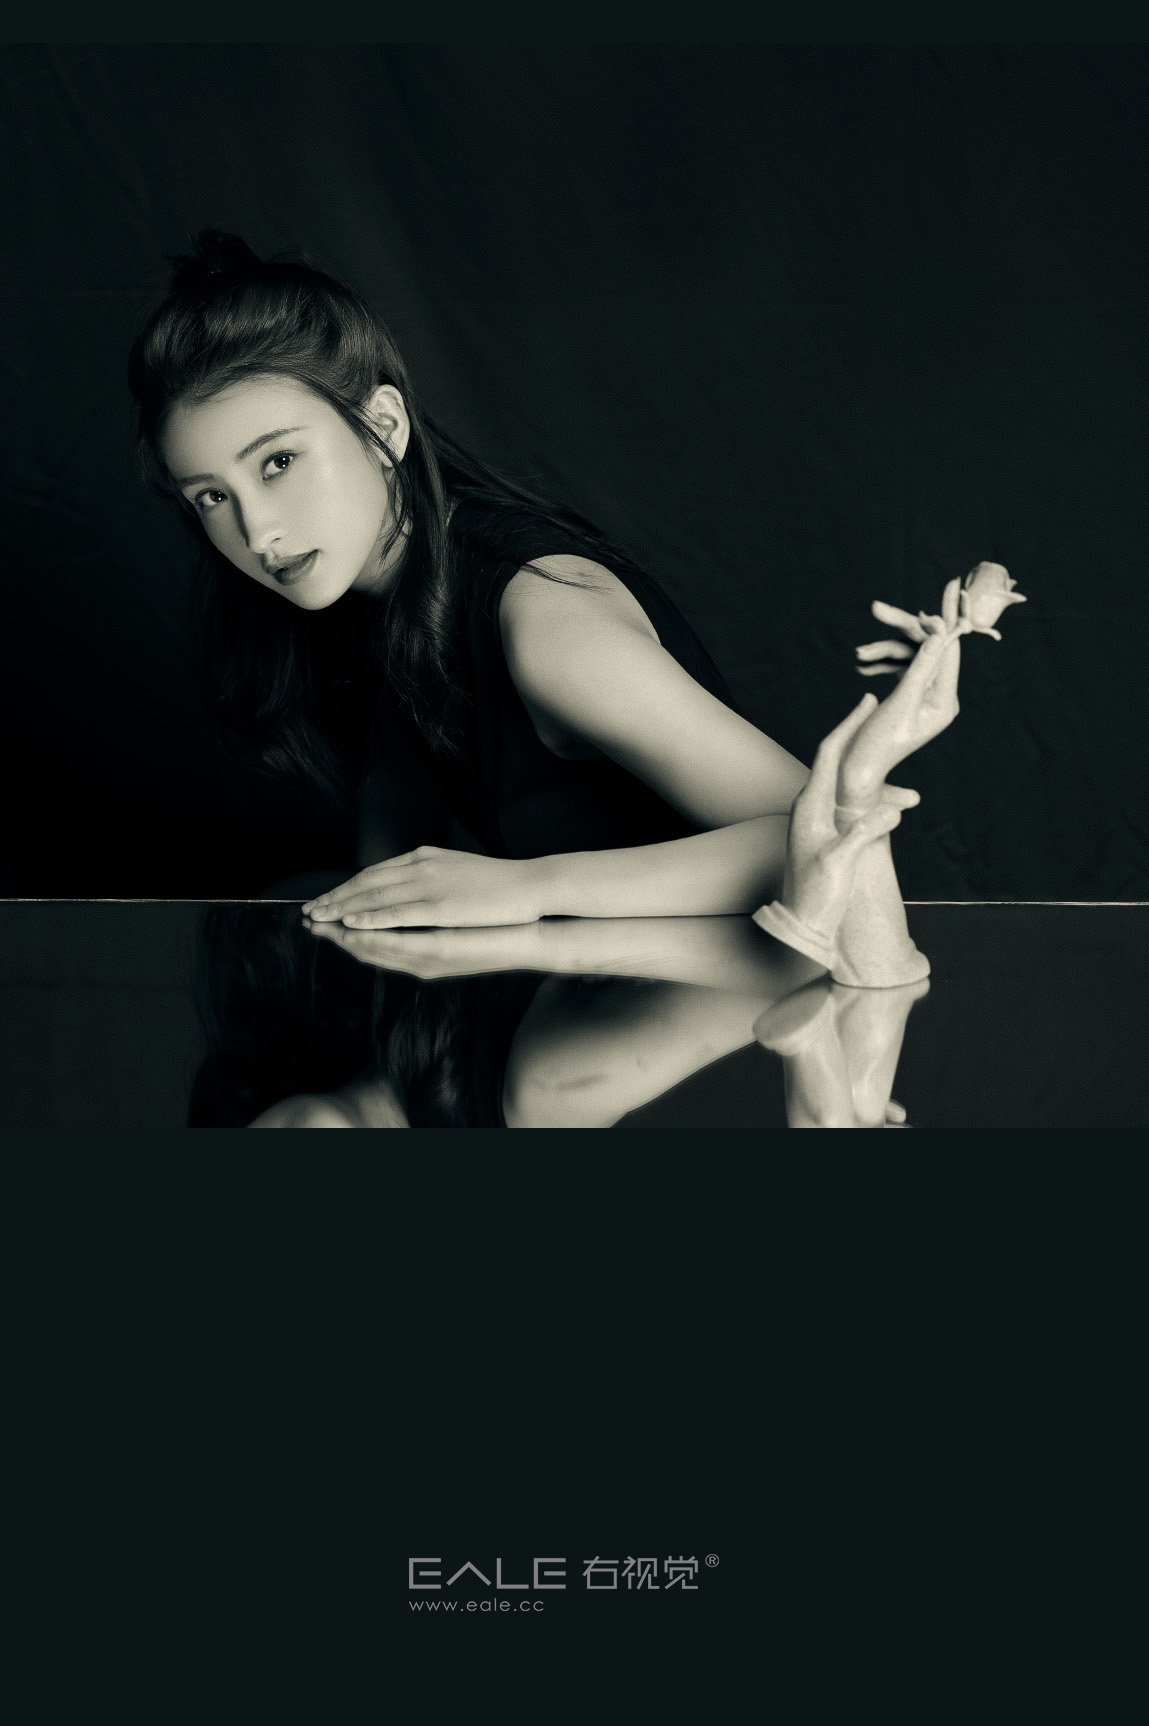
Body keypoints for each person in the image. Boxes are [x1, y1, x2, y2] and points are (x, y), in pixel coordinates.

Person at [129, 230, 972, 985]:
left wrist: (531, 888)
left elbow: (834, 837)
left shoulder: (547, 625)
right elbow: (385, 873)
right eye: (210, 497)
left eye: (277, 462)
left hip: (741, 1006)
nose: (258, 532)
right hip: (570, 1004)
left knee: (543, 1089)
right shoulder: (366, 599)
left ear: (382, 425)